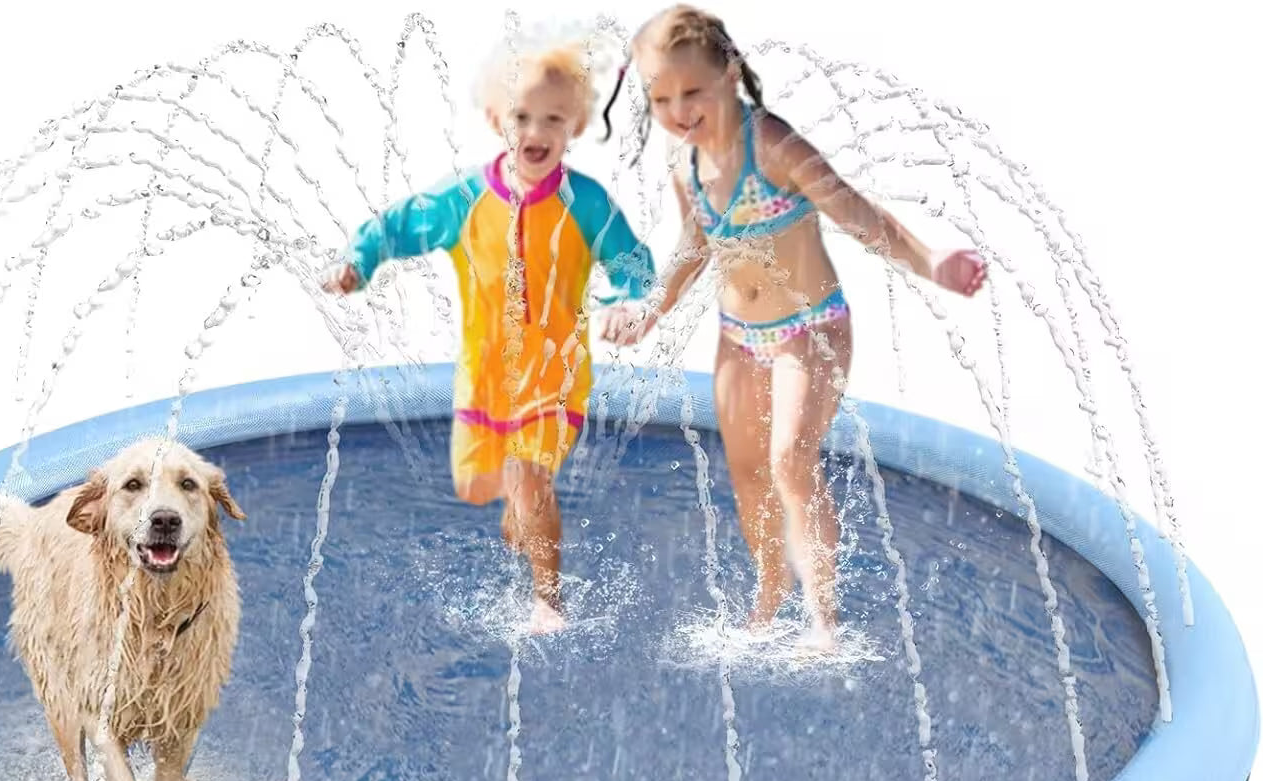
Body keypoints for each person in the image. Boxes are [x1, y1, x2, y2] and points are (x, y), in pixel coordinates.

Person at [598, 4, 985, 649]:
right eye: (660, 97)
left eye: (692, 90)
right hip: (736, 337)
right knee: (750, 475)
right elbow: (694, 247)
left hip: (809, 330)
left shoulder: (770, 144)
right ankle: (769, 598)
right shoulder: (684, 167)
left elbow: (855, 211)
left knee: (791, 463)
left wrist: (930, 262)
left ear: (730, 74)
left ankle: (824, 621)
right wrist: (648, 310)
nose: (678, 109)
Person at [324, 34, 655, 634]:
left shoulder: (585, 203)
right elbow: (400, 225)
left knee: (529, 480)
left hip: (555, 379)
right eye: (522, 116)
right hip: (483, 382)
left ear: (575, 126)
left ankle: (548, 603)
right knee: (480, 486)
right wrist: (359, 261)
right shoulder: (467, 199)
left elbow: (633, 264)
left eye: (553, 118)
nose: (536, 130)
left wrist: (622, 304)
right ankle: (524, 510)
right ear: (496, 119)